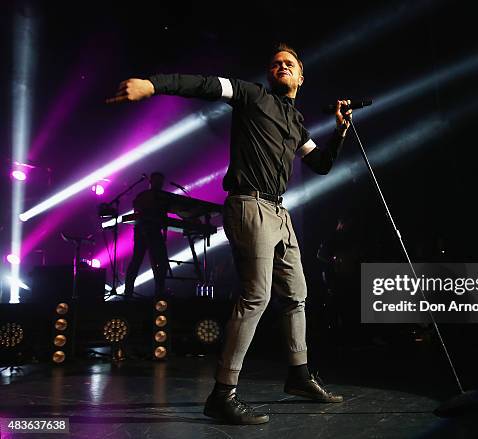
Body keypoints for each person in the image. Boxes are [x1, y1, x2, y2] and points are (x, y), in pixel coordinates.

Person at [108, 43, 351, 425]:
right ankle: (222, 394)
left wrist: (340, 131)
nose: (281, 66)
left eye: (289, 64)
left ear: (301, 77)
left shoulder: (296, 122)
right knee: (257, 296)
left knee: (297, 296)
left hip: (279, 210)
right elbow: (203, 85)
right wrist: (152, 85)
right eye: (275, 64)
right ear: (269, 74)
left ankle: (300, 376)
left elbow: (320, 164)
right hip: (249, 204)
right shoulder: (251, 95)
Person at [124, 172, 170, 299]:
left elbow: (165, 215)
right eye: (157, 181)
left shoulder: (162, 197)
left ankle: (159, 292)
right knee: (137, 261)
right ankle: (128, 292)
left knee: (160, 262)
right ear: (151, 181)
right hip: (143, 231)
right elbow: (138, 211)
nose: (160, 184)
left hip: (154, 231)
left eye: (161, 182)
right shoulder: (144, 196)